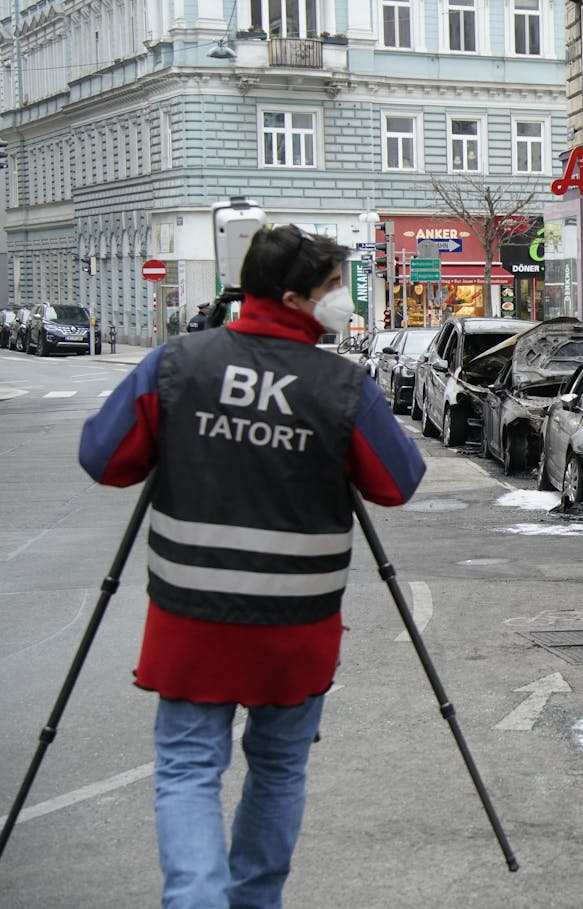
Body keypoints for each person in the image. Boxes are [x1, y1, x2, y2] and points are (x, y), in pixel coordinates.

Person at [78, 225, 427, 909]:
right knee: (277, 771)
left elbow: (104, 456)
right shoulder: (340, 386)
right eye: (332, 288)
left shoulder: (179, 363)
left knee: (186, 769)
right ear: (292, 296)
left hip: (191, 623)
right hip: (294, 632)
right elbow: (397, 479)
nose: (344, 301)